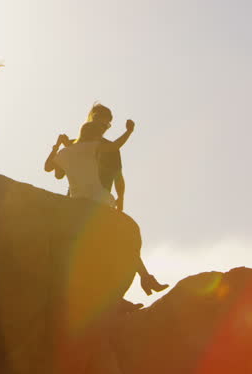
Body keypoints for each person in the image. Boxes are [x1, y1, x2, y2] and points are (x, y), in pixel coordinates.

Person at [45, 121, 168, 296]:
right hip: (99, 202)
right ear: (95, 135)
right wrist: (129, 132)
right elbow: (115, 146)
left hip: (77, 204)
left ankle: (144, 279)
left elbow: (48, 167)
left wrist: (57, 146)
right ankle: (144, 278)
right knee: (122, 241)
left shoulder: (66, 152)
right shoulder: (93, 146)